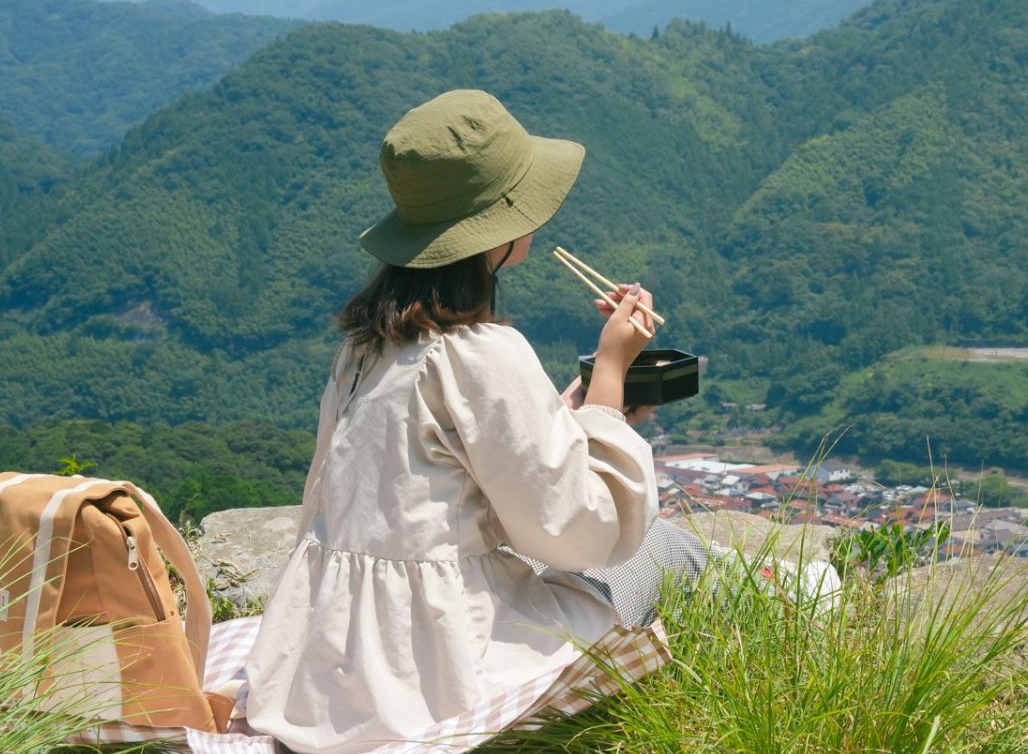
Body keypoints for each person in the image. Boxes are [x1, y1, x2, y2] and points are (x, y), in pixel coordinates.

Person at [244, 89, 706, 753]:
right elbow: (581, 532)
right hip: (437, 662)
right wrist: (610, 373)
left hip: (330, 659)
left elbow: (454, 457)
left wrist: (574, 407)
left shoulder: (365, 346)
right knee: (668, 550)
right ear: (498, 223)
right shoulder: (483, 352)